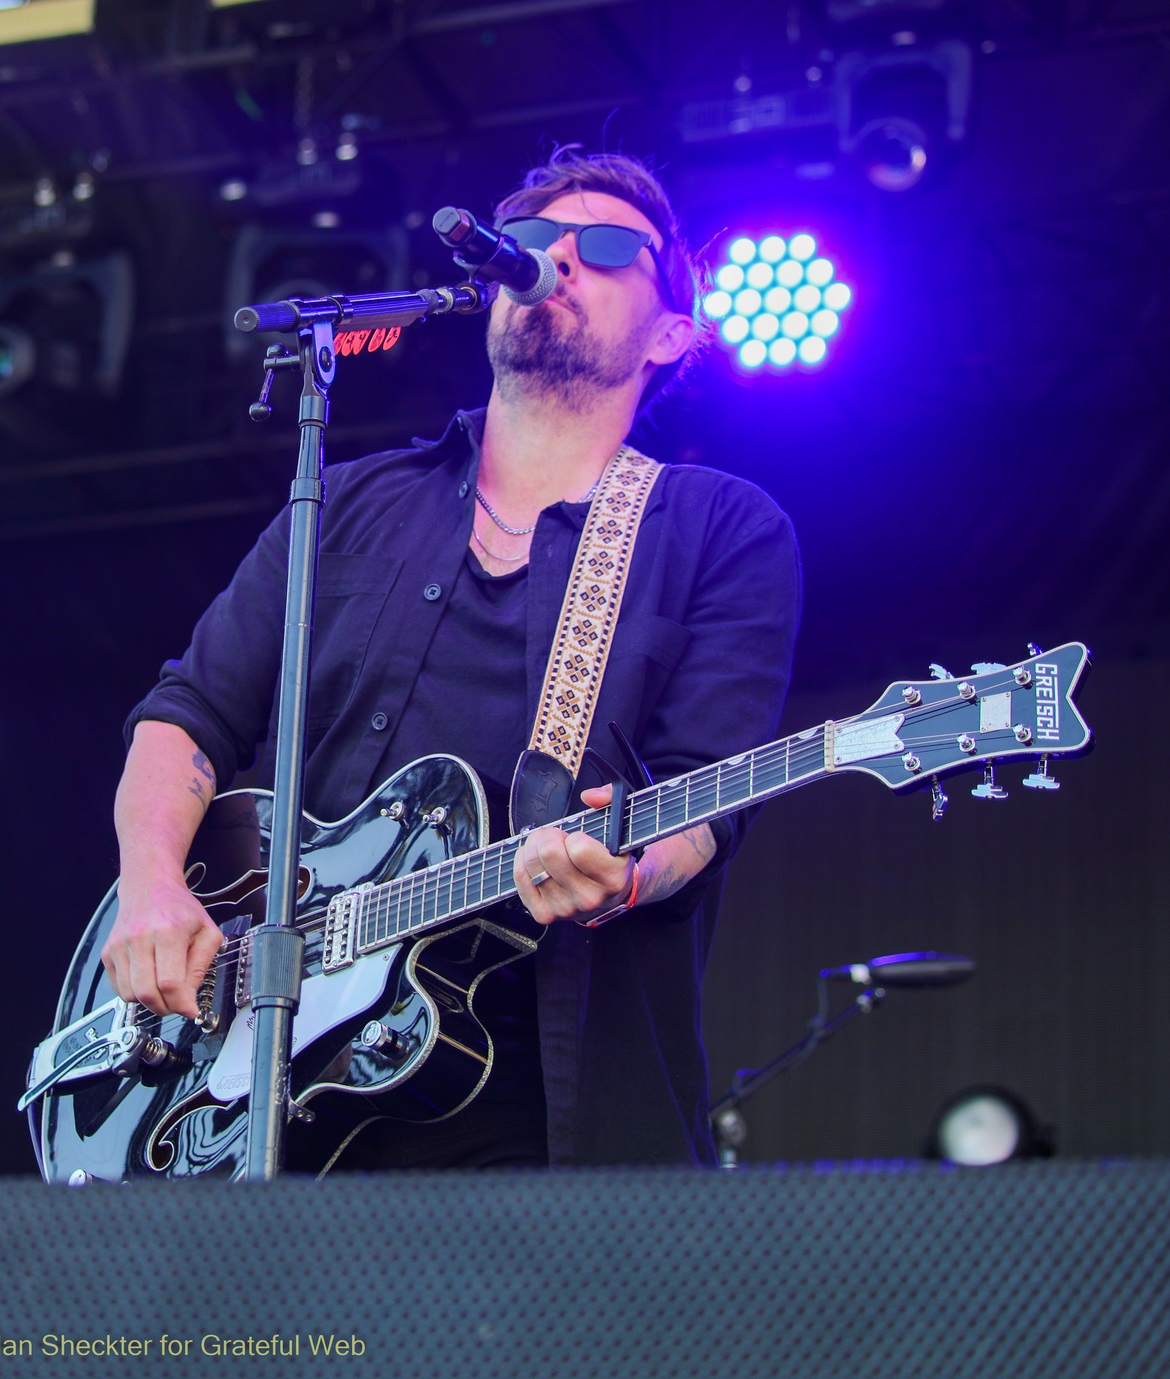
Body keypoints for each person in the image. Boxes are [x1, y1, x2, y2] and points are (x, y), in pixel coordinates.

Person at [102, 148, 802, 1169]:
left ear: (670, 333)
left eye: (605, 248)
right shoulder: (342, 501)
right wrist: (152, 884)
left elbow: (703, 800)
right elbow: (185, 714)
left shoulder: (720, 528)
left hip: (537, 1101)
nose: (555, 259)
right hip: (270, 1089)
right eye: (528, 241)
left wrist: (625, 866)